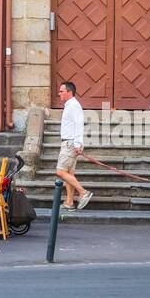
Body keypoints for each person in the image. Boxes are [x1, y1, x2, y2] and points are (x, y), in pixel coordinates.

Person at [56, 81, 92, 211]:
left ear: (69, 92)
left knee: (60, 171)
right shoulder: (70, 105)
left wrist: (77, 143)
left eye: (61, 91)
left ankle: (83, 192)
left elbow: (78, 124)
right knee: (69, 173)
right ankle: (69, 202)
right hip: (70, 142)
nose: (59, 93)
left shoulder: (73, 106)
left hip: (70, 143)